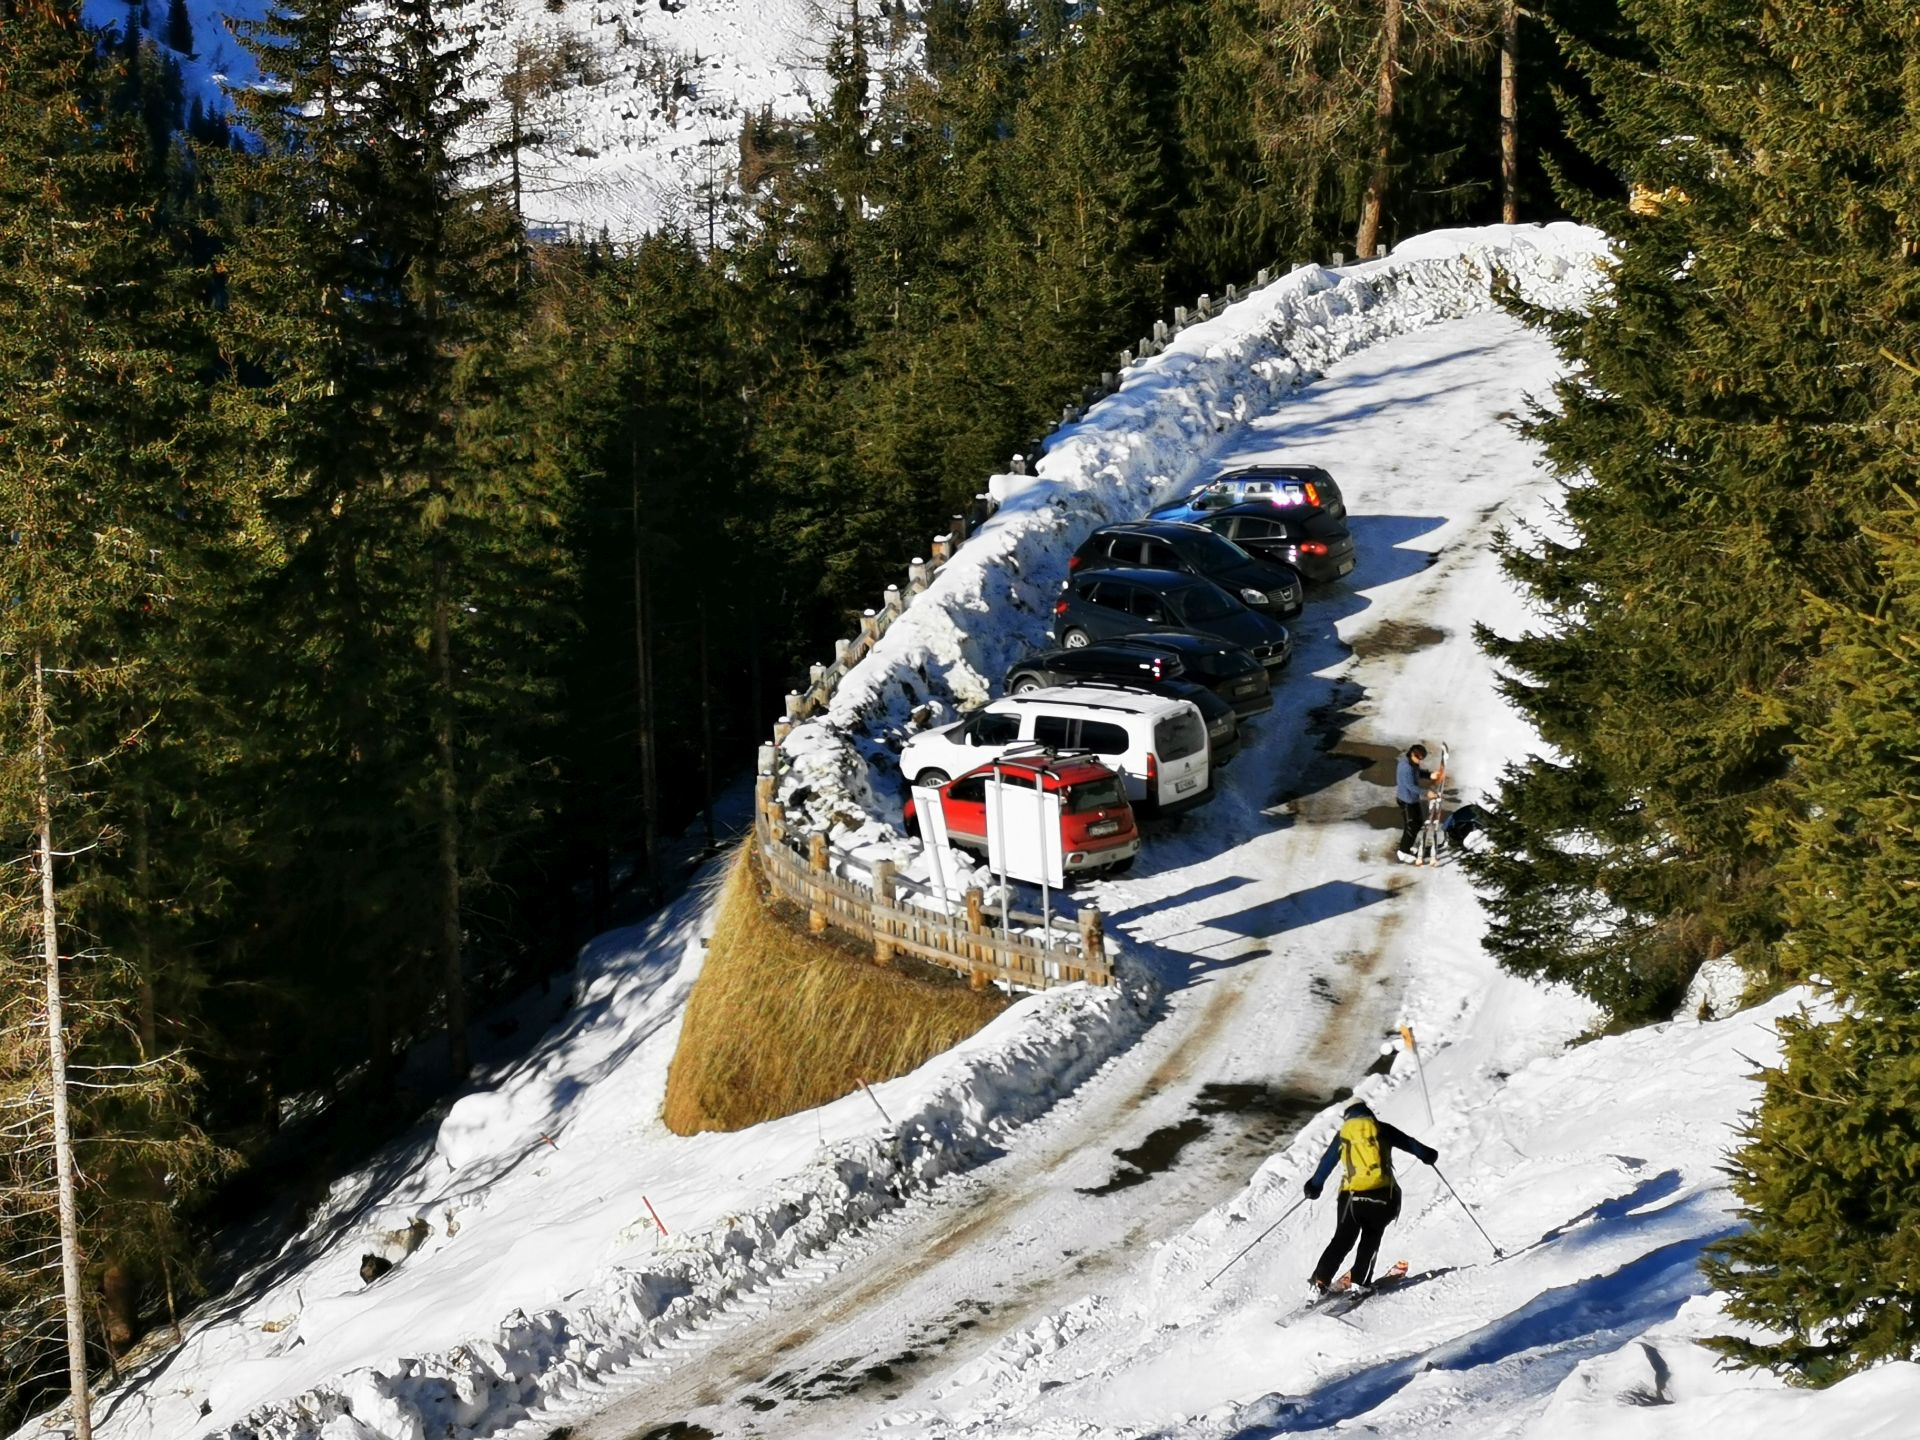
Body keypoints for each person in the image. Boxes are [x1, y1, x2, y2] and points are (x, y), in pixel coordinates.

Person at [1303, 1099, 1438, 1291]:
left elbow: (1326, 1164)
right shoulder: (1382, 1129)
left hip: (1351, 1198)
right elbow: (1414, 1146)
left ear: (1347, 1116)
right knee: (1371, 1236)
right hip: (1383, 1196)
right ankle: (1359, 1282)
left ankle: (1320, 1281)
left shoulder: (1343, 1136)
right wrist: (1429, 1156)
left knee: (1342, 1240)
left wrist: (1314, 1187)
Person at [1394, 743, 1444, 862]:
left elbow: (1417, 772)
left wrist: (1429, 775)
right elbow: (1410, 786)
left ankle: (1410, 845)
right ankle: (1403, 852)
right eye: (1418, 758)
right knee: (1411, 826)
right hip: (1406, 801)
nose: (1419, 761)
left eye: (1422, 759)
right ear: (1412, 754)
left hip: (1413, 799)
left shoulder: (1411, 763)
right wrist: (1427, 793)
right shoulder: (1406, 767)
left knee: (1418, 823)